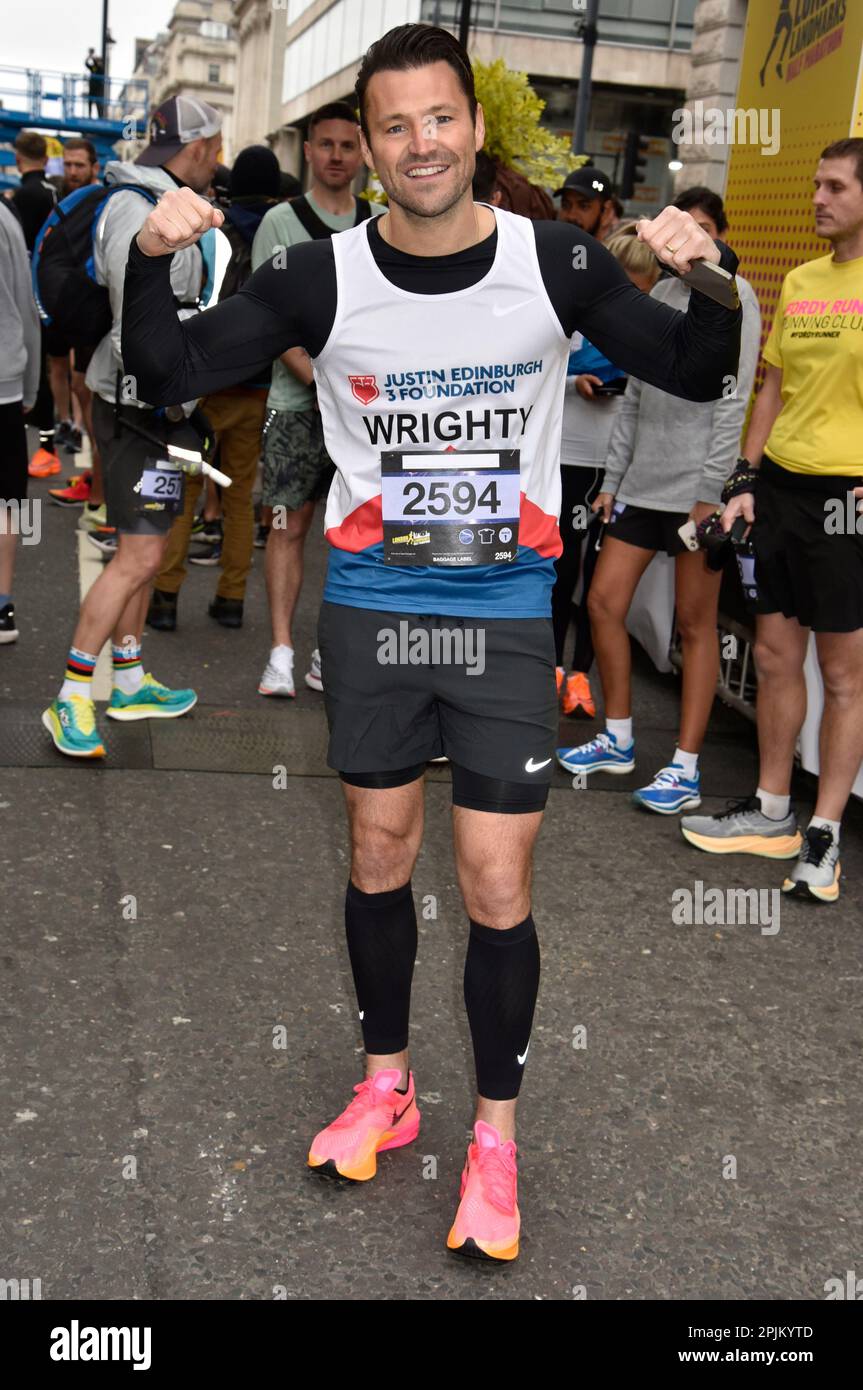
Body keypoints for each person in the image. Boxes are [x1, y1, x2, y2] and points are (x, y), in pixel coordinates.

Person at [120, 23, 741, 1260]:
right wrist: (149, 257)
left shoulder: (553, 259)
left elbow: (692, 365)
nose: (419, 145)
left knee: (496, 883)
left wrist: (706, 269)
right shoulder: (319, 278)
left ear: (473, 127)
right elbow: (166, 368)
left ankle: (495, 1138)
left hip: (506, 619)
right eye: (394, 124)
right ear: (371, 139)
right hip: (375, 611)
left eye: (439, 119)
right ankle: (388, 1085)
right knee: (374, 855)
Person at [681, 139, 863, 902]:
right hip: (782, 487)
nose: (816, 198)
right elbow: (770, 391)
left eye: (833, 187)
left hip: (847, 496)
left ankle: (822, 838)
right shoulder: (799, 279)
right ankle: (771, 811)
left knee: (843, 674)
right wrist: (744, 477)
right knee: (776, 657)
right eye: (815, 183)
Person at [557, 189, 761, 811]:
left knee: (696, 627)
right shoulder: (661, 296)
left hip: (696, 493)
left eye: (703, 231)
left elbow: (733, 400)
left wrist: (710, 492)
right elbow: (636, 401)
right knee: (601, 602)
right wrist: (613, 481)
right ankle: (617, 738)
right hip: (642, 485)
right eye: (683, 230)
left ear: (721, 237)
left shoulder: (735, 297)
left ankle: (686, 768)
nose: (689, 242)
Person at [41, 95, 223, 759]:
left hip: (151, 407)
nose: (218, 160)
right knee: (139, 555)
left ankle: (130, 677)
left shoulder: (150, 195)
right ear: (199, 146)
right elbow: (133, 317)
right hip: (139, 408)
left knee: (141, 549)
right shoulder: (138, 205)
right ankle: (70, 697)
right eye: (215, 147)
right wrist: (167, 399)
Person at [251, 102, 385, 697]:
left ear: (364, 154)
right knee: (287, 523)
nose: (336, 156)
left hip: (367, 413)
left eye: (347, 145)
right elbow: (269, 319)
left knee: (360, 532)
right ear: (307, 150)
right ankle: (282, 650)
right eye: (325, 144)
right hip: (298, 406)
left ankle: (332, 653)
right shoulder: (280, 222)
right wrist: (319, 380)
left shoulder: (381, 222)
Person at [148, 145, 282, 630]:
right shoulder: (279, 229)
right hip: (258, 384)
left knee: (181, 494)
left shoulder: (211, 225)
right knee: (240, 496)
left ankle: (164, 598)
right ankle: (231, 599)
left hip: (203, 382)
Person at [552, 222, 660, 720]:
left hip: (615, 465)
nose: (634, 298)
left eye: (644, 289)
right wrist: (576, 383)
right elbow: (537, 374)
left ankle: (580, 676)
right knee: (558, 566)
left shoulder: (651, 325)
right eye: (627, 284)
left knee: (599, 582)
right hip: (566, 456)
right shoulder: (573, 312)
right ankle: (549, 668)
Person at [45, 140, 104, 493]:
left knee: (91, 394)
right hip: (72, 310)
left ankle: (101, 491)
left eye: (79, 165)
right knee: (81, 388)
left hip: (97, 314)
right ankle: (96, 483)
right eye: (67, 165)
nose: (72, 172)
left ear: (94, 166)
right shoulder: (62, 202)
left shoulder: (103, 201)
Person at [0, 197, 40, 644]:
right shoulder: (6, 219)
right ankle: (2, 604)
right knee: (8, 500)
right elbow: (27, 309)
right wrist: (32, 388)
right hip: (4, 380)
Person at [11, 132, 60, 479]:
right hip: (55, 291)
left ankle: (46, 448)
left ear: (17, 159)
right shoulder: (56, 192)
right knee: (50, 368)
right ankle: (49, 443)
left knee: (36, 369)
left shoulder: (21, 199)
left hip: (27, 291)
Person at [556, 166, 617, 242]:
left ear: (606, 211)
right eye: (565, 205)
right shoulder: (551, 244)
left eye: (583, 206)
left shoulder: (622, 250)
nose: (571, 216)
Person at [85, 50, 105, 119]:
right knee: (90, 102)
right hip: (92, 88)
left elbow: (96, 64)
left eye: (99, 61)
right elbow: (86, 64)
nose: (98, 62)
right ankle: (89, 116)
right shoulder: (94, 68)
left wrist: (92, 56)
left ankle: (100, 117)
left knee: (98, 103)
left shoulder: (101, 69)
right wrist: (89, 56)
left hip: (98, 90)